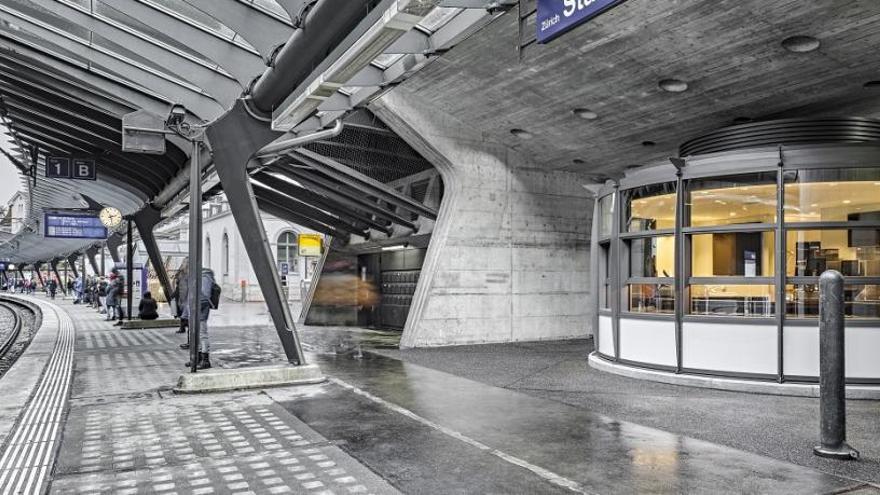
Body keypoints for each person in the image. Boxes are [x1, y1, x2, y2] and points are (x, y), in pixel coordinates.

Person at [184, 268, 215, 370]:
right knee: (196, 335)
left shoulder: (205, 277)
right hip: (194, 310)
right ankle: (197, 358)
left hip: (199, 311)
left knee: (202, 334)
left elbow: (204, 295)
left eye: (186, 265)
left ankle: (205, 360)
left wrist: (195, 307)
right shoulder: (197, 277)